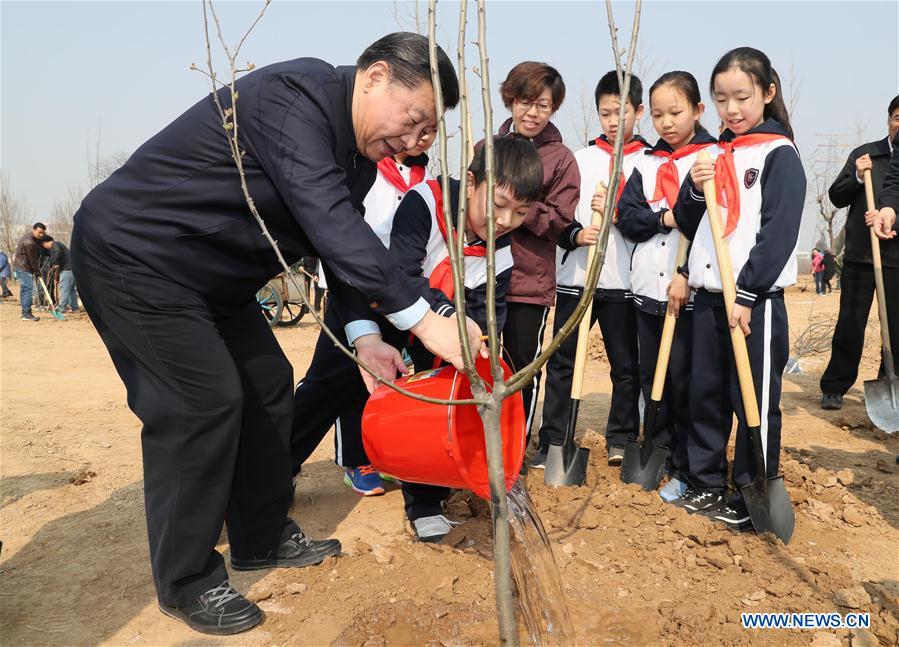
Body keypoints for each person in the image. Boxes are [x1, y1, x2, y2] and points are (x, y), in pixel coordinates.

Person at [70, 33, 471, 636]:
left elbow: (338, 245)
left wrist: (365, 336)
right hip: (137, 256)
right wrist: (424, 318)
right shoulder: (293, 97)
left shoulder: (356, 161)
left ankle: (260, 535)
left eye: (428, 132)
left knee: (268, 382)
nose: (415, 141)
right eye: (413, 120)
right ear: (375, 77)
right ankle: (186, 580)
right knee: (199, 403)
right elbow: (330, 222)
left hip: (213, 279)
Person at [674, 48, 805, 531]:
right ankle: (706, 482)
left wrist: (748, 293)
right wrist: (694, 187)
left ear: (768, 93)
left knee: (754, 400)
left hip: (755, 303)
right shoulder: (710, 155)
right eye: (721, 98)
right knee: (705, 394)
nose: (731, 109)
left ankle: (753, 493)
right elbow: (687, 220)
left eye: (742, 97)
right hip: (709, 298)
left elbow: (778, 233)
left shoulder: (779, 154)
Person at [387, 137, 543, 541]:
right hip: (382, 313)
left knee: (447, 398)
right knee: (330, 389)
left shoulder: (500, 249)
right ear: (471, 183)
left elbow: (489, 310)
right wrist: (447, 317)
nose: (505, 221)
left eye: (520, 212)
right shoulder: (426, 203)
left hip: (446, 330)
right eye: (499, 205)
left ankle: (425, 500)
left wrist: (480, 346)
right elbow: (400, 275)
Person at [290, 130, 435, 495]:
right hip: (352, 289)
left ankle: (367, 456)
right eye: (416, 126)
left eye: (431, 130)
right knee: (329, 383)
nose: (422, 137)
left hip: (396, 294)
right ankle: (279, 463)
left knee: (377, 381)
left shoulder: (424, 179)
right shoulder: (367, 170)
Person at [536, 71, 648, 468]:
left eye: (621, 112)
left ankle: (621, 437)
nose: (613, 121)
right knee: (562, 362)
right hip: (577, 279)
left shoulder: (651, 162)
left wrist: (619, 213)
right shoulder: (579, 160)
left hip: (626, 283)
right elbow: (558, 215)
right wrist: (576, 235)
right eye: (605, 113)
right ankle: (553, 438)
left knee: (626, 366)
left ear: (639, 111)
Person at [617, 71, 718, 501]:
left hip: (689, 295)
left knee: (685, 382)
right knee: (651, 379)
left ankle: (688, 467)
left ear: (697, 110)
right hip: (646, 290)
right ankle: (660, 453)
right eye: (658, 115)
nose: (666, 123)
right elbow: (628, 218)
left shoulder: (712, 158)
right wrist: (666, 218)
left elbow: (709, 225)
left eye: (675, 112)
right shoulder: (644, 163)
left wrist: (685, 273)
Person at [494, 62, 580, 443]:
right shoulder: (488, 149)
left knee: (520, 371)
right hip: (482, 278)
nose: (532, 113)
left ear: (553, 109)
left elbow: (561, 221)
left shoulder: (561, 159)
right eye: (525, 102)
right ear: (510, 100)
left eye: (543, 106)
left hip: (528, 284)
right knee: (477, 366)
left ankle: (513, 449)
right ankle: (479, 447)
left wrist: (518, 204)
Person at [820, 95, 899, 410]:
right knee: (850, 325)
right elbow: (836, 197)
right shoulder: (866, 155)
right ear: (888, 120)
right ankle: (835, 386)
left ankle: (888, 386)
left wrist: (888, 216)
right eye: (897, 117)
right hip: (861, 257)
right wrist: (855, 176)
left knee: (895, 329)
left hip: (895, 260)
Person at [13, 222, 46, 321]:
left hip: (20, 266)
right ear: (34, 230)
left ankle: (24, 312)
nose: (42, 235)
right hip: (24, 268)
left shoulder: (30, 237)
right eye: (40, 232)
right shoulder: (30, 242)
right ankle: (26, 314)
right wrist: (38, 272)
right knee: (28, 289)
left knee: (24, 289)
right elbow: (33, 261)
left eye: (43, 233)